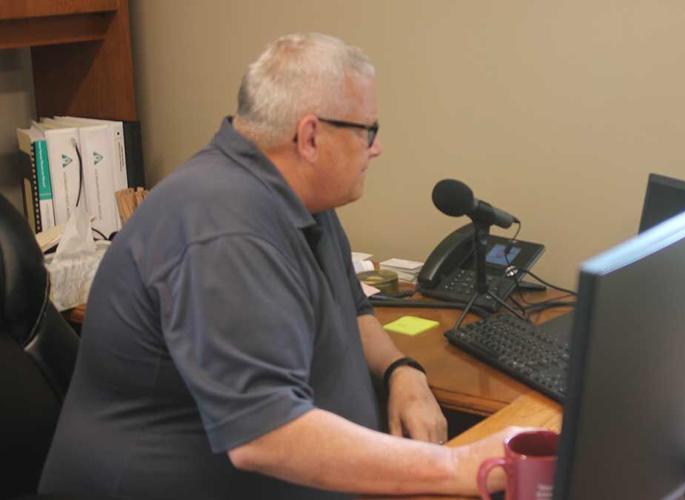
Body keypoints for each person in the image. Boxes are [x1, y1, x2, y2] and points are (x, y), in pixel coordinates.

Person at [39, 33, 519, 499]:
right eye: (368, 131)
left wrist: (402, 371)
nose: (377, 148)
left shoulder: (303, 196)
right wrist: (460, 467)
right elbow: (265, 435)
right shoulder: (220, 228)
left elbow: (351, 307)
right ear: (311, 136)